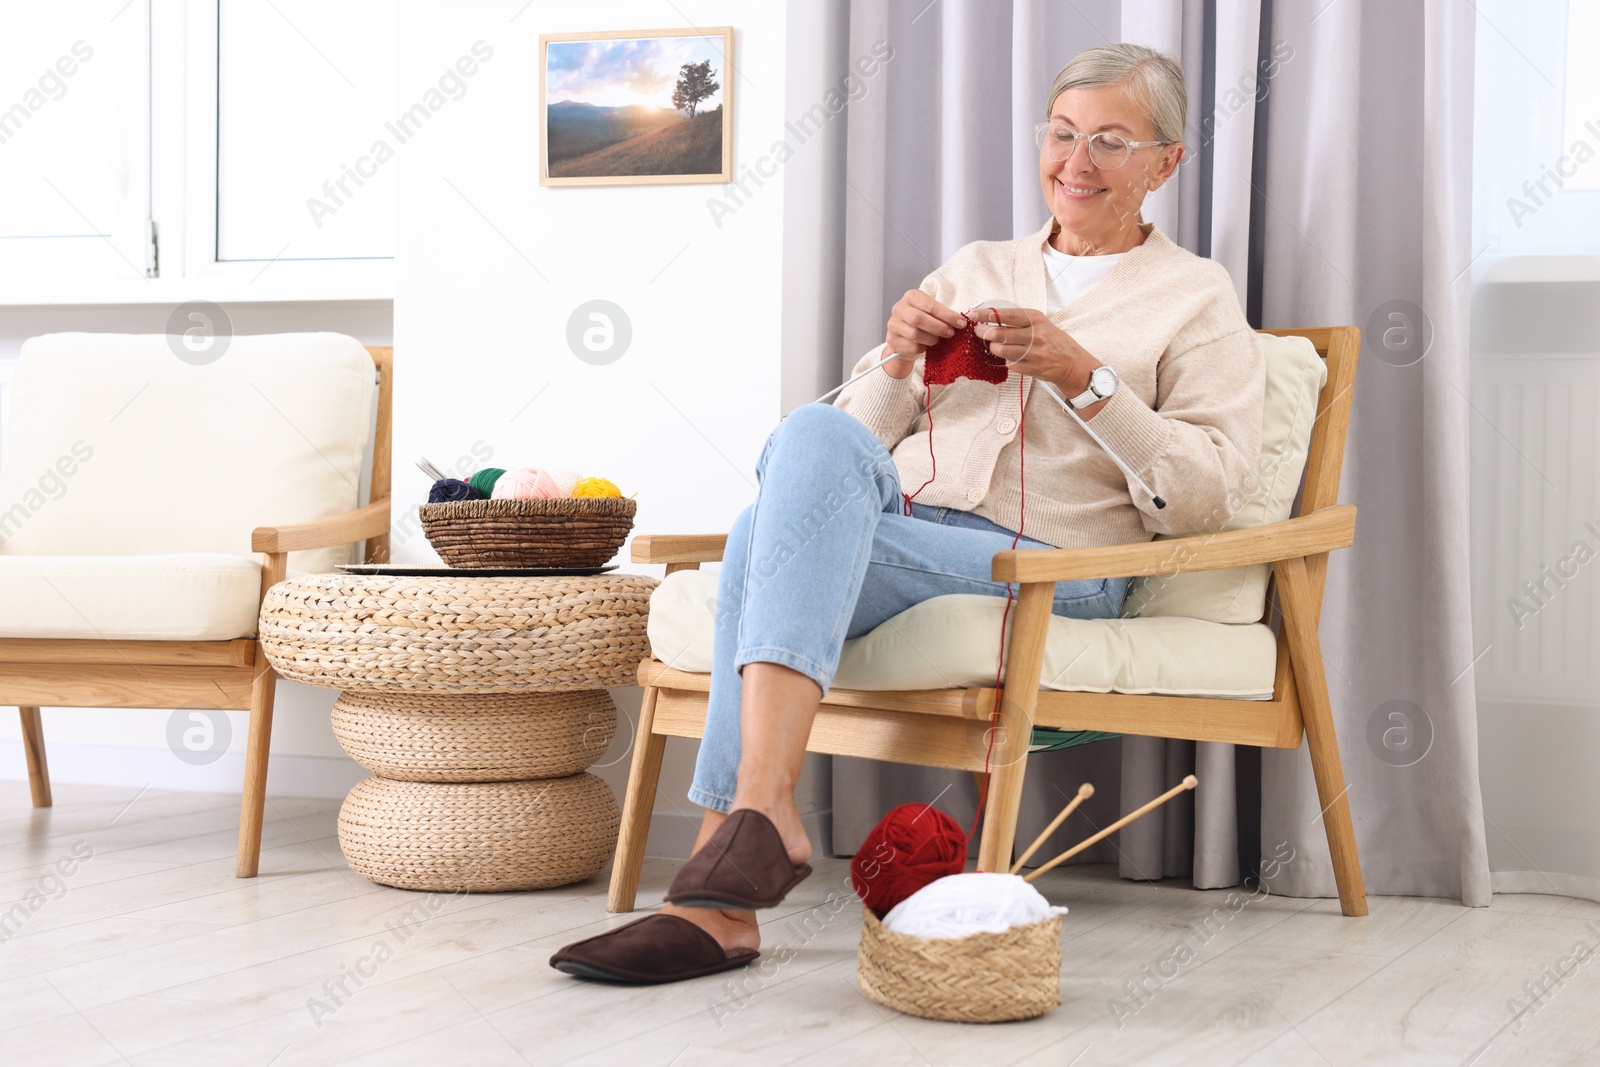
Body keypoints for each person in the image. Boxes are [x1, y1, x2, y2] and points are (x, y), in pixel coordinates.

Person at [551, 41, 1265, 985]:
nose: (1075, 163)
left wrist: (1083, 379)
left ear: (1166, 162)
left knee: (767, 537)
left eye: (1109, 141)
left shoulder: (1197, 295)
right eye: (1060, 134)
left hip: (1054, 567)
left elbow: (1205, 495)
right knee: (814, 434)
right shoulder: (977, 266)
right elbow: (833, 455)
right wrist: (893, 366)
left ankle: (728, 873)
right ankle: (752, 833)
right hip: (907, 528)